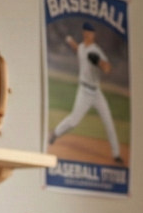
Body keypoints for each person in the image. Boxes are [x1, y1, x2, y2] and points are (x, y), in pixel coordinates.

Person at [48, 21, 123, 164]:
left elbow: (107, 69)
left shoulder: (96, 51)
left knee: (108, 121)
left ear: (93, 35)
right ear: (84, 34)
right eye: (87, 33)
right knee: (74, 121)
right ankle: (55, 133)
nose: (89, 35)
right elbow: (78, 49)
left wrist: (98, 62)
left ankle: (116, 154)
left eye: (91, 33)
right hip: (83, 91)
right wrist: (70, 41)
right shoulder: (82, 47)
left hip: (96, 92)